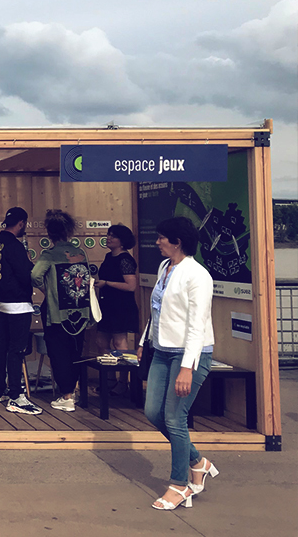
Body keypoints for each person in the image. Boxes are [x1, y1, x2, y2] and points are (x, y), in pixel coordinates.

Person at [140, 216, 218, 511]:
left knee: (175, 418)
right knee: (152, 412)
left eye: (162, 238)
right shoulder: (164, 267)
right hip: (161, 351)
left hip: (190, 355)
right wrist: (143, 340)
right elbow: (158, 309)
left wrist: (188, 367)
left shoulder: (198, 275)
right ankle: (198, 462)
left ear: (178, 242)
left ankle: (179, 485)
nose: (158, 241)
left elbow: (197, 325)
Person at [32, 209, 91, 413]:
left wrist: (48, 291)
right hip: (80, 312)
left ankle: (66, 396)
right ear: (69, 231)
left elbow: (35, 276)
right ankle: (70, 393)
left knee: (58, 353)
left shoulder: (49, 254)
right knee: (75, 351)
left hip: (56, 313)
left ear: (49, 233)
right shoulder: (81, 253)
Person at [0, 206, 41, 415]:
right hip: (18, 303)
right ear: (21, 223)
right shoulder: (14, 246)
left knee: (2, 344)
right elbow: (27, 274)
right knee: (17, 349)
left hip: (0, 301)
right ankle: (16, 395)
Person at [94, 224, 139, 393]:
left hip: (121, 306)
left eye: (113, 236)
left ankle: (123, 382)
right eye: (108, 235)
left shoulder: (125, 259)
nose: (109, 238)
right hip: (106, 304)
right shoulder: (108, 256)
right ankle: (109, 378)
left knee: (119, 342)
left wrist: (107, 283)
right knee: (101, 341)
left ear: (122, 241)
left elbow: (131, 286)